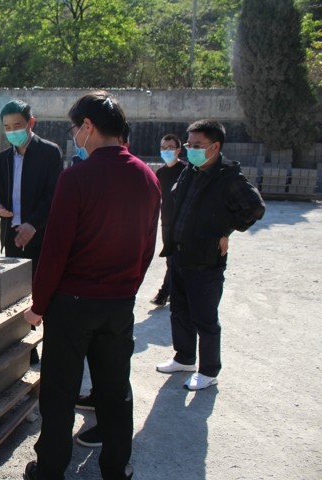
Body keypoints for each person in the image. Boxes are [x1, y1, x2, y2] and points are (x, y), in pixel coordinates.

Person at [22, 92, 161, 480]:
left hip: (73, 303)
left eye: (74, 129)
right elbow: (147, 246)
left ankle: (50, 469)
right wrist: (128, 287)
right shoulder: (147, 176)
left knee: (60, 391)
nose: (74, 137)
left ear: (87, 126)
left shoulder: (77, 177)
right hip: (119, 302)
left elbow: (56, 250)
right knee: (114, 389)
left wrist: (39, 304)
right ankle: (116, 468)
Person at [155, 120, 265, 390]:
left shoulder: (229, 177)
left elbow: (254, 208)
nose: (190, 150)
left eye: (197, 145)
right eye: (189, 144)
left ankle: (208, 370)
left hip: (205, 260)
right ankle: (184, 358)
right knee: (179, 311)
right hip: (179, 253)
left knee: (205, 318)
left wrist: (226, 231)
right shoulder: (191, 170)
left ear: (215, 147)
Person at [74, 120, 134, 449]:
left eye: (77, 128)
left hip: (95, 293)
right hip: (115, 292)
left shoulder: (130, 176)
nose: (76, 136)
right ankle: (102, 410)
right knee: (108, 369)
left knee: (112, 373)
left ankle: (109, 433)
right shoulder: (140, 175)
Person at [0, 99, 63, 274]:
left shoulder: (50, 153)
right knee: (13, 286)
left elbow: (54, 195)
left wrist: (33, 224)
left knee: (41, 285)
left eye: (17, 126)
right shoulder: (2, 160)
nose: (12, 131)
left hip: (41, 235)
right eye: (7, 127)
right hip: (12, 237)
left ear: (31, 123)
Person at [150, 133, 187, 307]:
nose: (166, 151)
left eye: (170, 148)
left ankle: (163, 294)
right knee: (171, 259)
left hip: (183, 222)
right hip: (166, 222)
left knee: (174, 259)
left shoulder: (187, 171)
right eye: (163, 148)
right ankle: (174, 290)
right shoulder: (161, 172)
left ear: (178, 150)